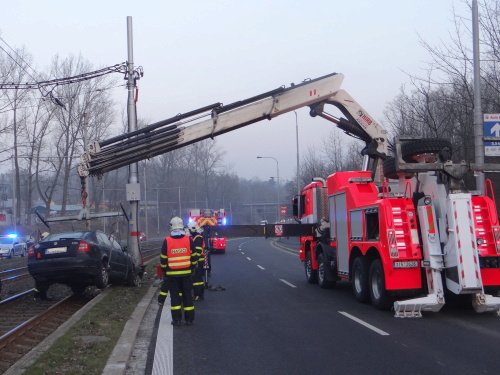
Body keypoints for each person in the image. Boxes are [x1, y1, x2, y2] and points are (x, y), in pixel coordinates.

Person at [158, 216, 197, 326]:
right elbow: (194, 256)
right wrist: (192, 268)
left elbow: (163, 259)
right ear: (182, 226)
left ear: (171, 227)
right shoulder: (188, 239)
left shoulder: (167, 241)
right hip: (186, 275)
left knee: (175, 298)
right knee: (187, 297)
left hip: (172, 276)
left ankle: (177, 320)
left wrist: (165, 271)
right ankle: (189, 319)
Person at [188, 222, 205, 301]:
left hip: (198, 261)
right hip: (198, 260)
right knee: (197, 278)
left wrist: (194, 260)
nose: (189, 231)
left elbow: (197, 250)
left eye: (189, 230)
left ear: (193, 229)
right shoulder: (195, 237)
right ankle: (199, 294)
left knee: (196, 279)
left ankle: (198, 294)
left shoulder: (197, 237)